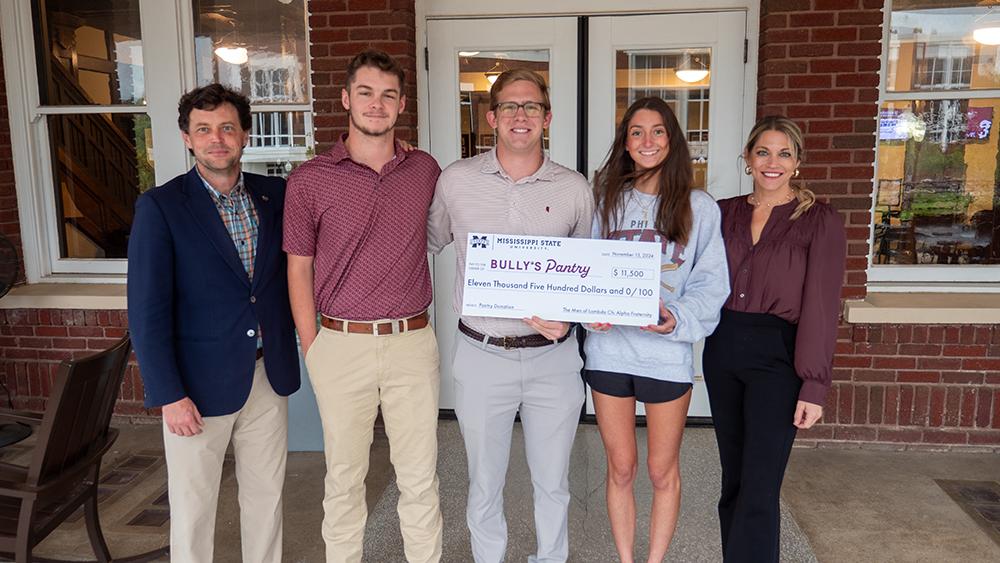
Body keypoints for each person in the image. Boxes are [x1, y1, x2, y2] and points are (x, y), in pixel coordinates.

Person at [127, 84, 300, 563]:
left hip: (269, 373)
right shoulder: (161, 207)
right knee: (194, 505)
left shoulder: (276, 194)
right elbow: (146, 311)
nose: (216, 139)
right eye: (203, 130)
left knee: (266, 499)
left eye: (227, 127)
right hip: (195, 389)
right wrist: (168, 395)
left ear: (245, 134)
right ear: (187, 138)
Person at [427, 69, 593, 563]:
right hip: (482, 354)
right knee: (484, 481)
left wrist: (571, 318)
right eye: (511, 107)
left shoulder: (574, 188)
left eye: (532, 107)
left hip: (553, 359)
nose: (521, 116)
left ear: (547, 117)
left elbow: (584, 274)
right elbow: (425, 245)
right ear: (492, 117)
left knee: (554, 484)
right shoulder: (455, 181)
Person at [283, 49, 443, 563]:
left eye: (389, 95)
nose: (378, 104)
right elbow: (298, 269)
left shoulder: (425, 169)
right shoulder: (309, 179)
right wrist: (314, 348)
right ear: (347, 98)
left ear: (401, 106)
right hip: (340, 343)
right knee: (344, 478)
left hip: (412, 341)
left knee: (420, 477)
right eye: (367, 93)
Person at [583, 97, 729, 562]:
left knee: (662, 470)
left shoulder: (699, 207)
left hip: (666, 357)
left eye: (658, 131)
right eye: (637, 132)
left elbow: (711, 282)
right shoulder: (604, 199)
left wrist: (678, 320)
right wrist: (590, 311)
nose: (648, 141)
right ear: (625, 142)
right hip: (609, 353)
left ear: (673, 140)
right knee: (620, 468)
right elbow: (583, 268)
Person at [704, 115, 846, 562]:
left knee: (761, 485)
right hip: (723, 347)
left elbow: (822, 306)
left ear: (797, 162)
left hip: (778, 356)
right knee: (735, 481)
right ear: (747, 158)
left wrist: (814, 385)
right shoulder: (721, 212)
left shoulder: (818, 220)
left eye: (784, 153)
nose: (773, 162)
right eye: (763, 152)